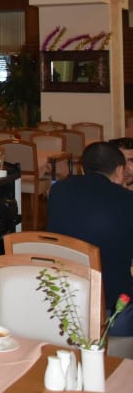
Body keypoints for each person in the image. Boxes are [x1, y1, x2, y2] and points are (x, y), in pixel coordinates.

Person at [47, 141, 133, 337]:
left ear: (82, 169)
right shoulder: (127, 201)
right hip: (112, 315)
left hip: (62, 306)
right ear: (120, 170)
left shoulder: (58, 191)